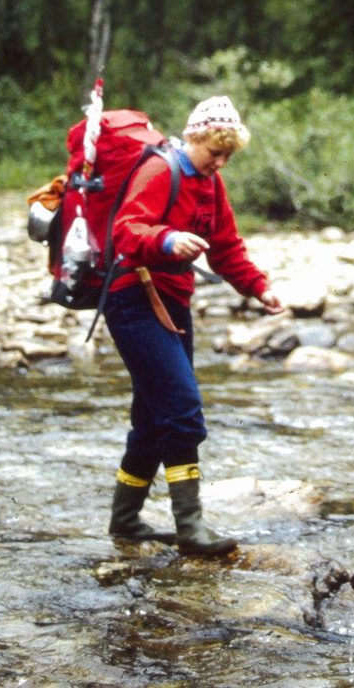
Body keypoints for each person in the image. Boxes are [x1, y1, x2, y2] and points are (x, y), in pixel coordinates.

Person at [102, 96, 285, 555]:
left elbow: (225, 247)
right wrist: (165, 238)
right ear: (194, 137)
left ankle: (125, 522)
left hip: (173, 301)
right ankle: (191, 530)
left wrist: (258, 287)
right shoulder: (162, 170)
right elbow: (126, 230)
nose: (220, 163)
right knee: (182, 411)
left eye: (228, 156)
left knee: (151, 418)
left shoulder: (211, 183)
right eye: (214, 152)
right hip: (132, 298)